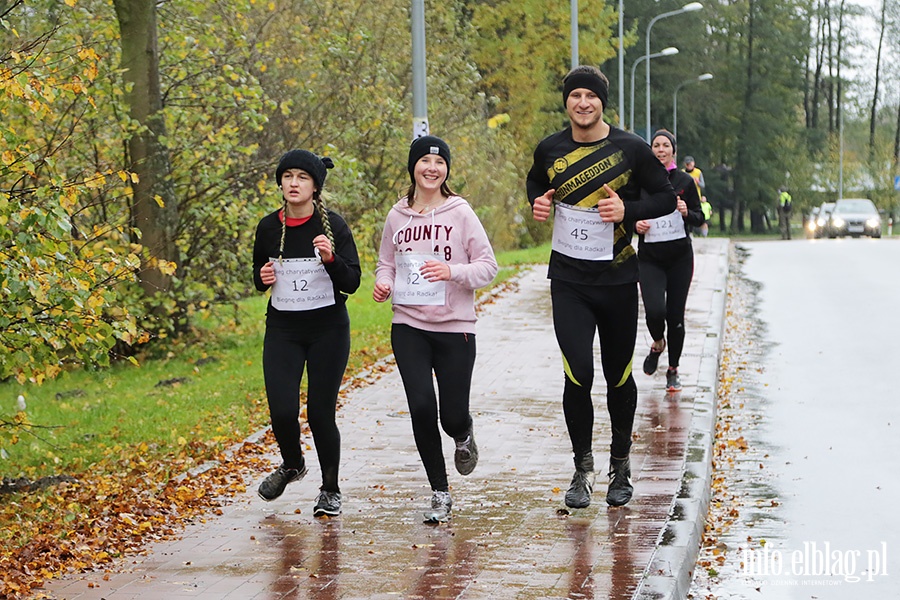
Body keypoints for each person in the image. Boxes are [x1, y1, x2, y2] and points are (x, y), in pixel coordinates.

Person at [526, 65, 676, 510]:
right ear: (567, 102)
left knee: (618, 375)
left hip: (617, 278)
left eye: (591, 96)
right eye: (576, 96)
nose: (583, 103)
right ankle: (581, 468)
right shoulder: (551, 148)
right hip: (569, 280)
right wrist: (537, 201)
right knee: (578, 372)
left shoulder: (629, 147)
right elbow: (537, 181)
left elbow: (665, 197)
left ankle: (621, 463)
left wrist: (625, 210)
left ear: (601, 103)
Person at [373, 135, 498, 523]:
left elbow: (488, 266)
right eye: (424, 161)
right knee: (422, 407)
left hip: (455, 327)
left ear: (446, 170)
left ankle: (463, 434)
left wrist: (452, 271)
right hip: (408, 325)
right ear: (413, 167)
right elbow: (386, 263)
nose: (432, 168)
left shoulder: (460, 213)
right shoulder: (397, 216)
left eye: (439, 162)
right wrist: (384, 283)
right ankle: (439, 492)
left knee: (451, 414)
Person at [252, 150, 361, 517]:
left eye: (302, 177)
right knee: (282, 411)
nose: (293, 183)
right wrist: (261, 278)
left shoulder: (334, 226)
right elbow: (259, 274)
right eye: (288, 176)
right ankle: (292, 463)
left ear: (315, 186)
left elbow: (353, 280)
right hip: (283, 328)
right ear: (280, 183)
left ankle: (330, 490)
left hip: (327, 329)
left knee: (319, 413)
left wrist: (331, 260)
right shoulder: (268, 227)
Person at [635, 130, 705, 393]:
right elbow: (627, 211)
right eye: (656, 145)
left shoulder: (685, 180)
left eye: (666, 145)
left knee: (675, 316)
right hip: (650, 259)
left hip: (679, 259)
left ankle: (673, 369)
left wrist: (688, 213)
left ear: (673, 151)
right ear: (650, 150)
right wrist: (635, 224)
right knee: (654, 311)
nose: (661, 150)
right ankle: (657, 342)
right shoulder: (640, 181)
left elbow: (700, 218)